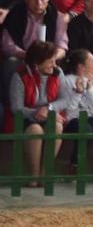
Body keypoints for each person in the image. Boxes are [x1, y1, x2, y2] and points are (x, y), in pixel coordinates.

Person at [5, 40, 65, 185]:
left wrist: (48, 109)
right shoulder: (20, 75)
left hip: (48, 115)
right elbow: (16, 107)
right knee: (35, 129)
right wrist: (37, 113)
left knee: (57, 127)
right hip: (25, 117)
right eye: (50, 62)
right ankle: (34, 175)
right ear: (37, 63)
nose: (54, 65)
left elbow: (65, 99)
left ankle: (45, 174)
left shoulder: (58, 72)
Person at [2, 0, 67, 89]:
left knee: (60, 68)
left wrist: (50, 58)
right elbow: (7, 45)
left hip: (49, 59)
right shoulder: (15, 14)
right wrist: (30, 56)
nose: (38, 3)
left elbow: (62, 46)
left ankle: (54, 104)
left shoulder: (56, 16)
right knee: (10, 64)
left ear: (48, 0)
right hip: (24, 56)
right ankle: (10, 104)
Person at [58, 48, 93, 172]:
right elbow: (68, 108)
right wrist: (79, 92)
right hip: (73, 119)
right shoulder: (67, 81)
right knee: (86, 128)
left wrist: (90, 89)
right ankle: (74, 164)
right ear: (82, 67)